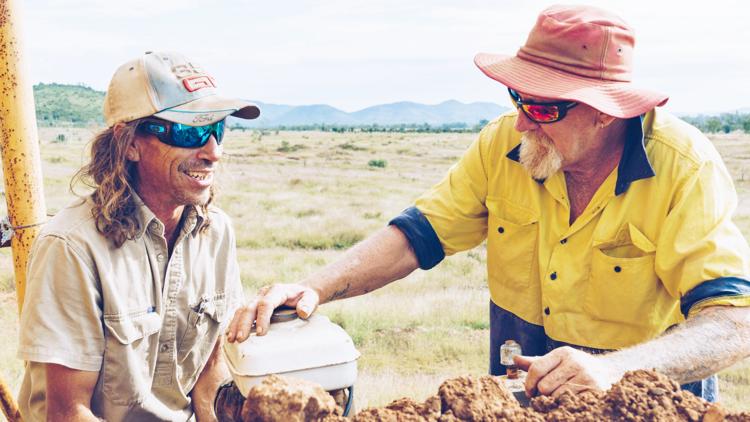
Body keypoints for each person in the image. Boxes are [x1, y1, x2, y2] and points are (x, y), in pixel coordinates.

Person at [227, 5, 750, 402]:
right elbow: (419, 234)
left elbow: (733, 322)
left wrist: (615, 370)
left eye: (543, 107)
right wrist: (314, 286)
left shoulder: (685, 167)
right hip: (524, 394)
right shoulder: (507, 144)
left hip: (641, 399)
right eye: (516, 98)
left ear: (605, 113)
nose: (522, 121)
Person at [17, 51, 259, 421]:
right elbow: (68, 413)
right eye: (191, 131)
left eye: (218, 130)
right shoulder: (72, 247)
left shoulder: (216, 232)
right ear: (129, 143)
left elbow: (210, 371)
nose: (213, 152)